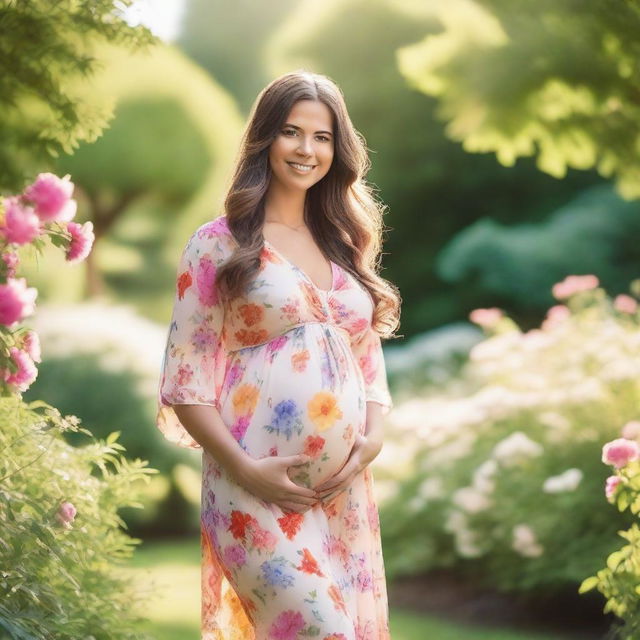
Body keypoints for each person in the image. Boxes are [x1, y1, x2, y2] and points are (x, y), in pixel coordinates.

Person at [156, 69, 401, 640]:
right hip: (250, 489)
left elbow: (367, 360)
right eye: (292, 132)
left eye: (322, 137)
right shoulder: (219, 243)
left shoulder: (347, 242)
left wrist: (372, 437)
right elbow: (185, 379)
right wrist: (244, 469)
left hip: (341, 493)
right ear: (265, 138)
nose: (307, 149)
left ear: (338, 150)